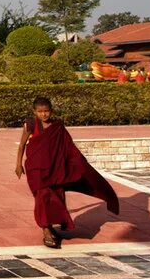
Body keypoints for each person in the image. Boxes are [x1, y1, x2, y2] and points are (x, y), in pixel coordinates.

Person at [15, 96, 119, 248]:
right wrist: (18, 164)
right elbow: (22, 145)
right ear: (34, 112)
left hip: (55, 170)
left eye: (46, 111)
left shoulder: (57, 127)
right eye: (40, 112)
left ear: (51, 111)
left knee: (56, 196)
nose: (44, 114)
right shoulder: (30, 125)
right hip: (36, 169)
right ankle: (46, 230)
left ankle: (50, 226)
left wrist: (79, 163)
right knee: (43, 197)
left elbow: (68, 148)